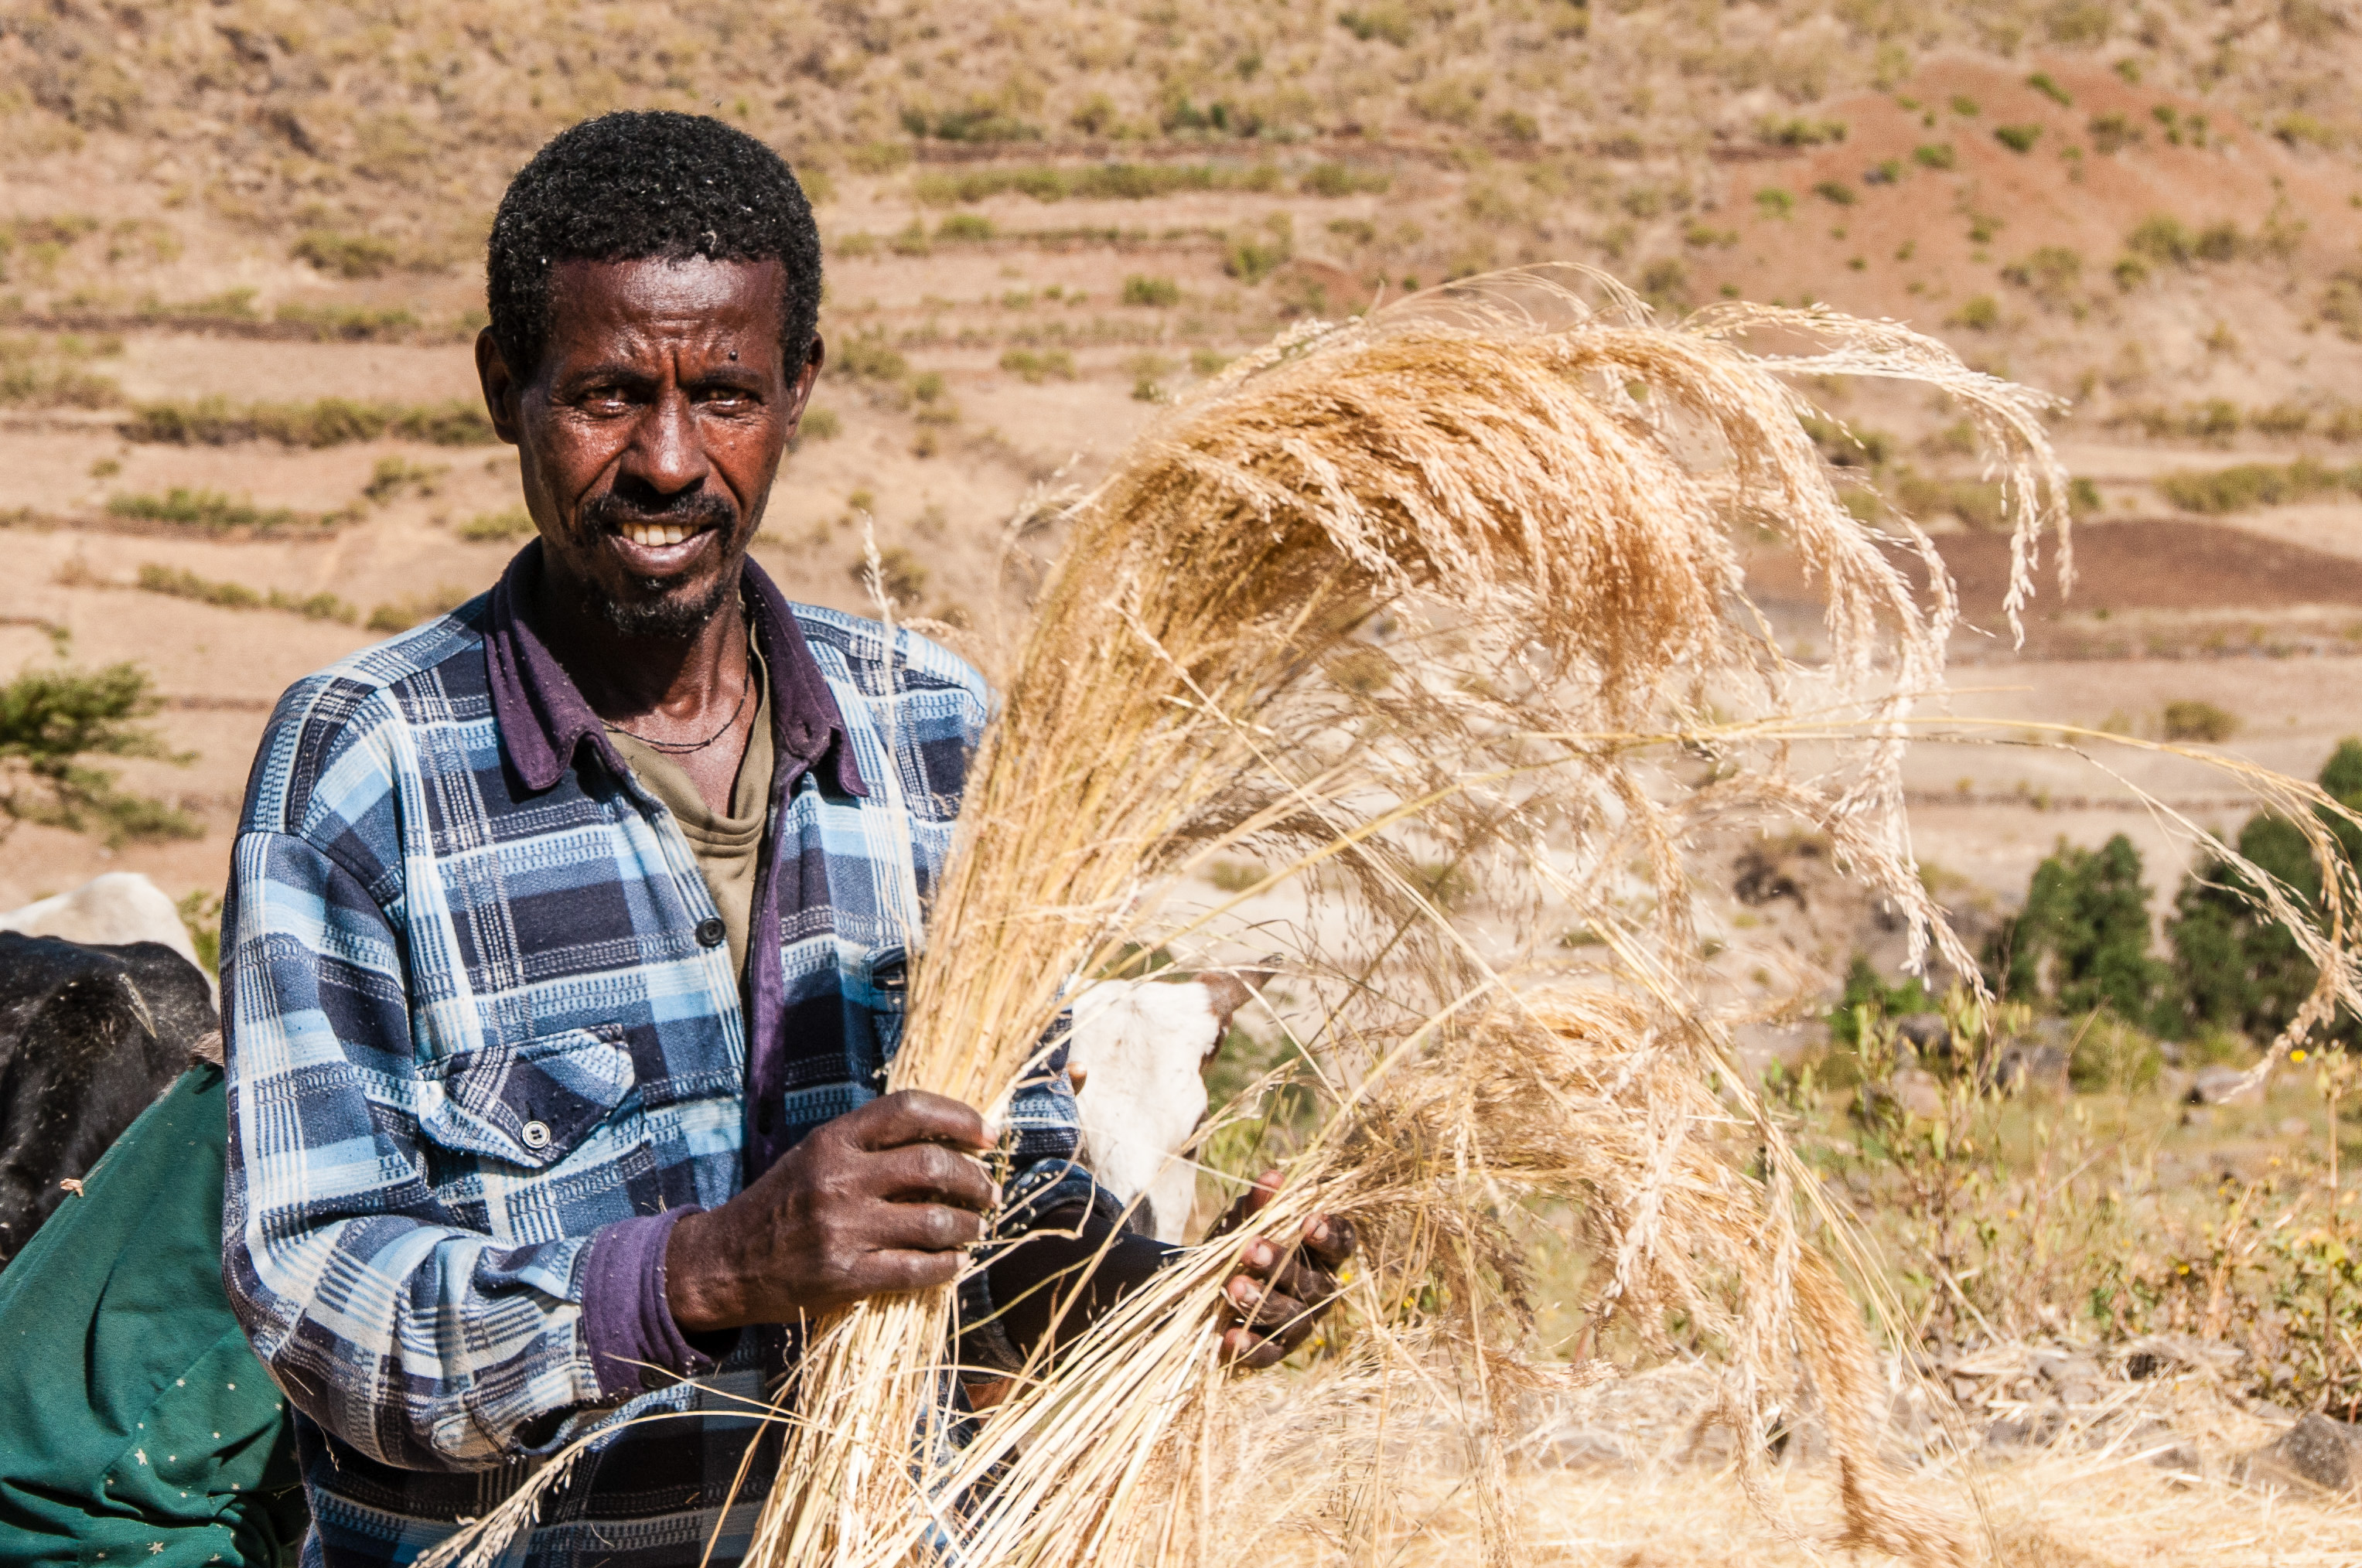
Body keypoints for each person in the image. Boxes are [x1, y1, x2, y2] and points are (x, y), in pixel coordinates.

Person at [220, 111, 1353, 1567]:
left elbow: (1011, 1202)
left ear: (798, 388)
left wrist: (1168, 1297)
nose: (668, 461)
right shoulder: (367, 763)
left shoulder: (936, 730)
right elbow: (315, 1296)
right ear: (506, 387)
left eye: (726, 396)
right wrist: (712, 1269)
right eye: (608, 394)